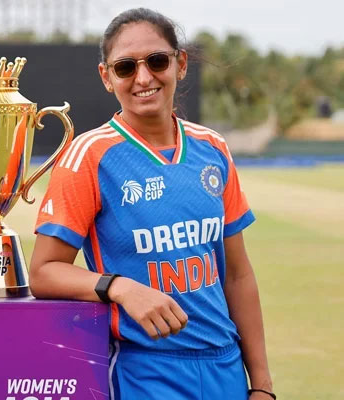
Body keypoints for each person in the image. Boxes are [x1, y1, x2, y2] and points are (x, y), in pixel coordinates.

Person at [30, 8, 274, 400]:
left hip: (226, 368)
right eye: (125, 67)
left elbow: (237, 276)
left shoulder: (213, 148)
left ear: (180, 64)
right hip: (145, 369)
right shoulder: (89, 156)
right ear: (107, 77)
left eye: (157, 61)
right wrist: (121, 288)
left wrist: (261, 384)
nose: (143, 78)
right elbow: (43, 273)